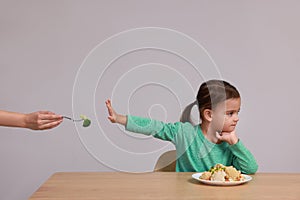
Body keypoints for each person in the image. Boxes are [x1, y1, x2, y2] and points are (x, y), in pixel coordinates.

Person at [105, 79, 258, 173]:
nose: (237, 118)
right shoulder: (185, 133)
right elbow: (153, 126)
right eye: (230, 113)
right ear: (209, 115)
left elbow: (250, 169)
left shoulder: (230, 145)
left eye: (238, 112)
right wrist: (119, 118)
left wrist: (235, 143)